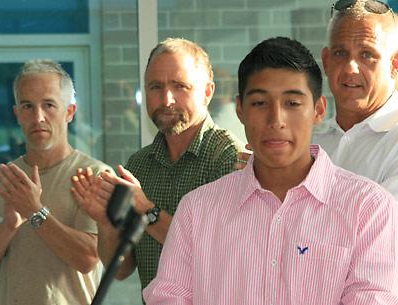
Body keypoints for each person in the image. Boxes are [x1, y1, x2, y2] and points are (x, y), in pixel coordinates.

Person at [143, 37, 398, 304]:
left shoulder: (368, 209)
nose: (276, 120)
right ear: (240, 109)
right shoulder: (197, 211)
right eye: (260, 103)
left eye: (292, 103)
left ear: (318, 109)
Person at [71, 38, 243, 295]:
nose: (166, 99)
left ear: (207, 92)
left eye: (179, 86)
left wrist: (148, 211)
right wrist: (105, 223)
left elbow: (216, 257)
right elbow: (121, 269)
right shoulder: (139, 165)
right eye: (155, 87)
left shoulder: (231, 159)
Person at [0, 60, 112, 305]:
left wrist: (34, 211)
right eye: (27, 106)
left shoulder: (95, 176)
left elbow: (88, 258)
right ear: (17, 114)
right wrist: (8, 225)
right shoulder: (5, 178)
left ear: (69, 111)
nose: (38, 117)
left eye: (49, 105)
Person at [312, 0, 398, 197]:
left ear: (395, 64)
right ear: (326, 61)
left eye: (367, 55)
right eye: (340, 53)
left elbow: (378, 224)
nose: (351, 67)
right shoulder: (312, 140)